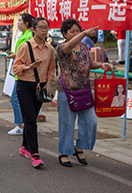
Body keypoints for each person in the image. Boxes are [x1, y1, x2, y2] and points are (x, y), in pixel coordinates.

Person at [56, 19, 111, 168]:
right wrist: (85, 33)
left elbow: (87, 63)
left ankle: (79, 147)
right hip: (67, 92)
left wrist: (100, 64)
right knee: (67, 124)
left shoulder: (84, 46)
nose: (75, 33)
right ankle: (64, 152)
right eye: (72, 31)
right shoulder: (62, 47)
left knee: (91, 121)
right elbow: (69, 46)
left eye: (77, 31)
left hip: (85, 91)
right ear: (64, 34)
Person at [13, 17, 55, 167]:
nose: (44, 30)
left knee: (31, 119)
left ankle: (24, 147)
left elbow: (51, 69)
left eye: (46, 27)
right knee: (31, 120)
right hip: (24, 86)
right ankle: (35, 154)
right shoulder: (25, 47)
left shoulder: (50, 49)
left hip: (40, 87)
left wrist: (49, 83)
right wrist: (28, 67)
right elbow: (16, 68)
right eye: (41, 27)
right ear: (33, 29)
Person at [7, 14, 34, 136]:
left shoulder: (29, 35)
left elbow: (26, 53)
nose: (17, 23)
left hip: (24, 72)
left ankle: (20, 125)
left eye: (20, 21)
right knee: (18, 99)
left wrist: (15, 56)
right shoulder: (22, 35)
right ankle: (22, 124)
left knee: (15, 98)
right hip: (19, 71)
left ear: (26, 23)